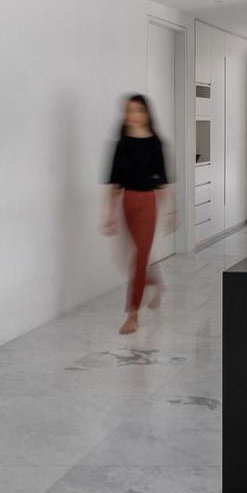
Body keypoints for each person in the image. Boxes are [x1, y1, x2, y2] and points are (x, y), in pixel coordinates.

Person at [104, 94, 174, 334]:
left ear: (146, 113)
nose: (133, 115)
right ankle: (156, 283)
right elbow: (115, 183)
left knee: (140, 256)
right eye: (129, 110)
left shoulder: (155, 143)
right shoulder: (121, 144)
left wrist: (171, 212)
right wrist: (109, 214)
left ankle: (132, 313)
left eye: (137, 110)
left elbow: (162, 181)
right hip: (127, 202)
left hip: (148, 203)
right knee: (129, 257)